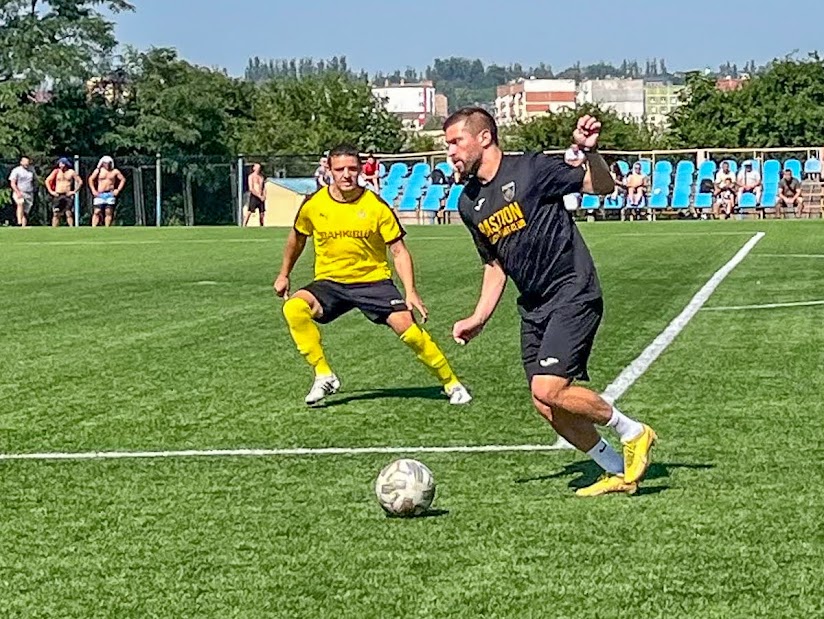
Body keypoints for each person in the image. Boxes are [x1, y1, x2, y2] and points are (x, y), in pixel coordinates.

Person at [443, 107, 657, 497]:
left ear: (484, 138)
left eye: (456, 142)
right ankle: (619, 471)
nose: (450, 153)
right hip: (534, 306)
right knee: (547, 405)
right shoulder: (468, 203)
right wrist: (478, 317)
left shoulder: (531, 169)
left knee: (549, 388)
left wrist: (591, 152)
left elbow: (601, 187)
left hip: (572, 290)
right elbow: (495, 265)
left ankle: (634, 432)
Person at [274, 143, 472, 406]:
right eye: (340, 169)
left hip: (373, 281)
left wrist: (410, 291)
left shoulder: (376, 205)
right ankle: (323, 374)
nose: (346, 175)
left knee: (409, 330)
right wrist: (284, 273)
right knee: (294, 308)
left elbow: (399, 251)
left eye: (352, 169)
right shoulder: (313, 204)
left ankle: (451, 383)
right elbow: (297, 238)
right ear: (329, 171)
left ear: (361, 170)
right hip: (330, 282)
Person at [88, 156, 126, 227]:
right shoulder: (98, 171)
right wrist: (93, 190)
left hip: (110, 194)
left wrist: (118, 190)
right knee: (97, 211)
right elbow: (90, 179)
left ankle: (107, 227)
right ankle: (93, 227)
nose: (107, 165)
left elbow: (123, 179)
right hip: (100, 194)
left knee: (108, 212)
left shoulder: (115, 171)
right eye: (105, 163)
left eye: (109, 163)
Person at [45, 157, 83, 228]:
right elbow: (47, 180)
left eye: (62, 164)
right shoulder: (56, 171)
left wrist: (74, 191)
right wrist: (51, 191)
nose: (60, 165)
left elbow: (80, 181)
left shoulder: (71, 172)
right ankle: (54, 228)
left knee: (68, 212)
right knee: (56, 213)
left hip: (67, 194)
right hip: (58, 194)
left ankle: (71, 227)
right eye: (60, 164)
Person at [9, 156, 35, 227]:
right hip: (19, 191)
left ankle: (23, 227)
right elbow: (12, 183)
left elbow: (34, 180)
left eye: (28, 162)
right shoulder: (16, 170)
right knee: (20, 203)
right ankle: (19, 222)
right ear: (21, 162)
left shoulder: (31, 170)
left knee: (25, 212)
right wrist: (17, 192)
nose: (27, 164)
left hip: (29, 193)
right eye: (25, 162)